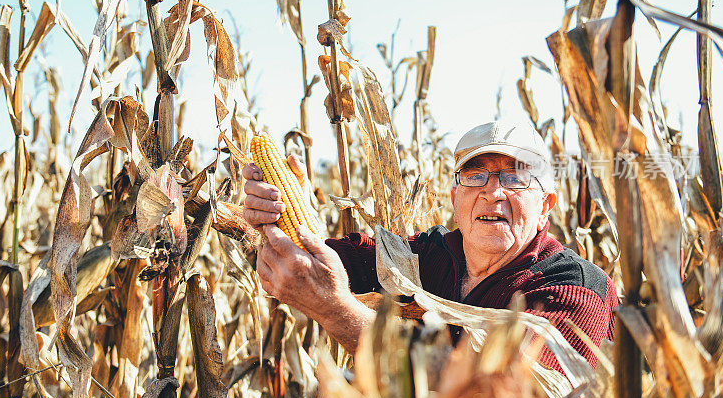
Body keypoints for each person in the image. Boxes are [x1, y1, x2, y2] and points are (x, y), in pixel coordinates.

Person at [242, 120, 617, 371]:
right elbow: (319, 261)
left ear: (545, 207)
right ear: (455, 199)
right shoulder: (430, 256)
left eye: (514, 178)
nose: (492, 191)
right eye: (475, 176)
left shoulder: (574, 290)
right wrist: (279, 215)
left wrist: (337, 311)